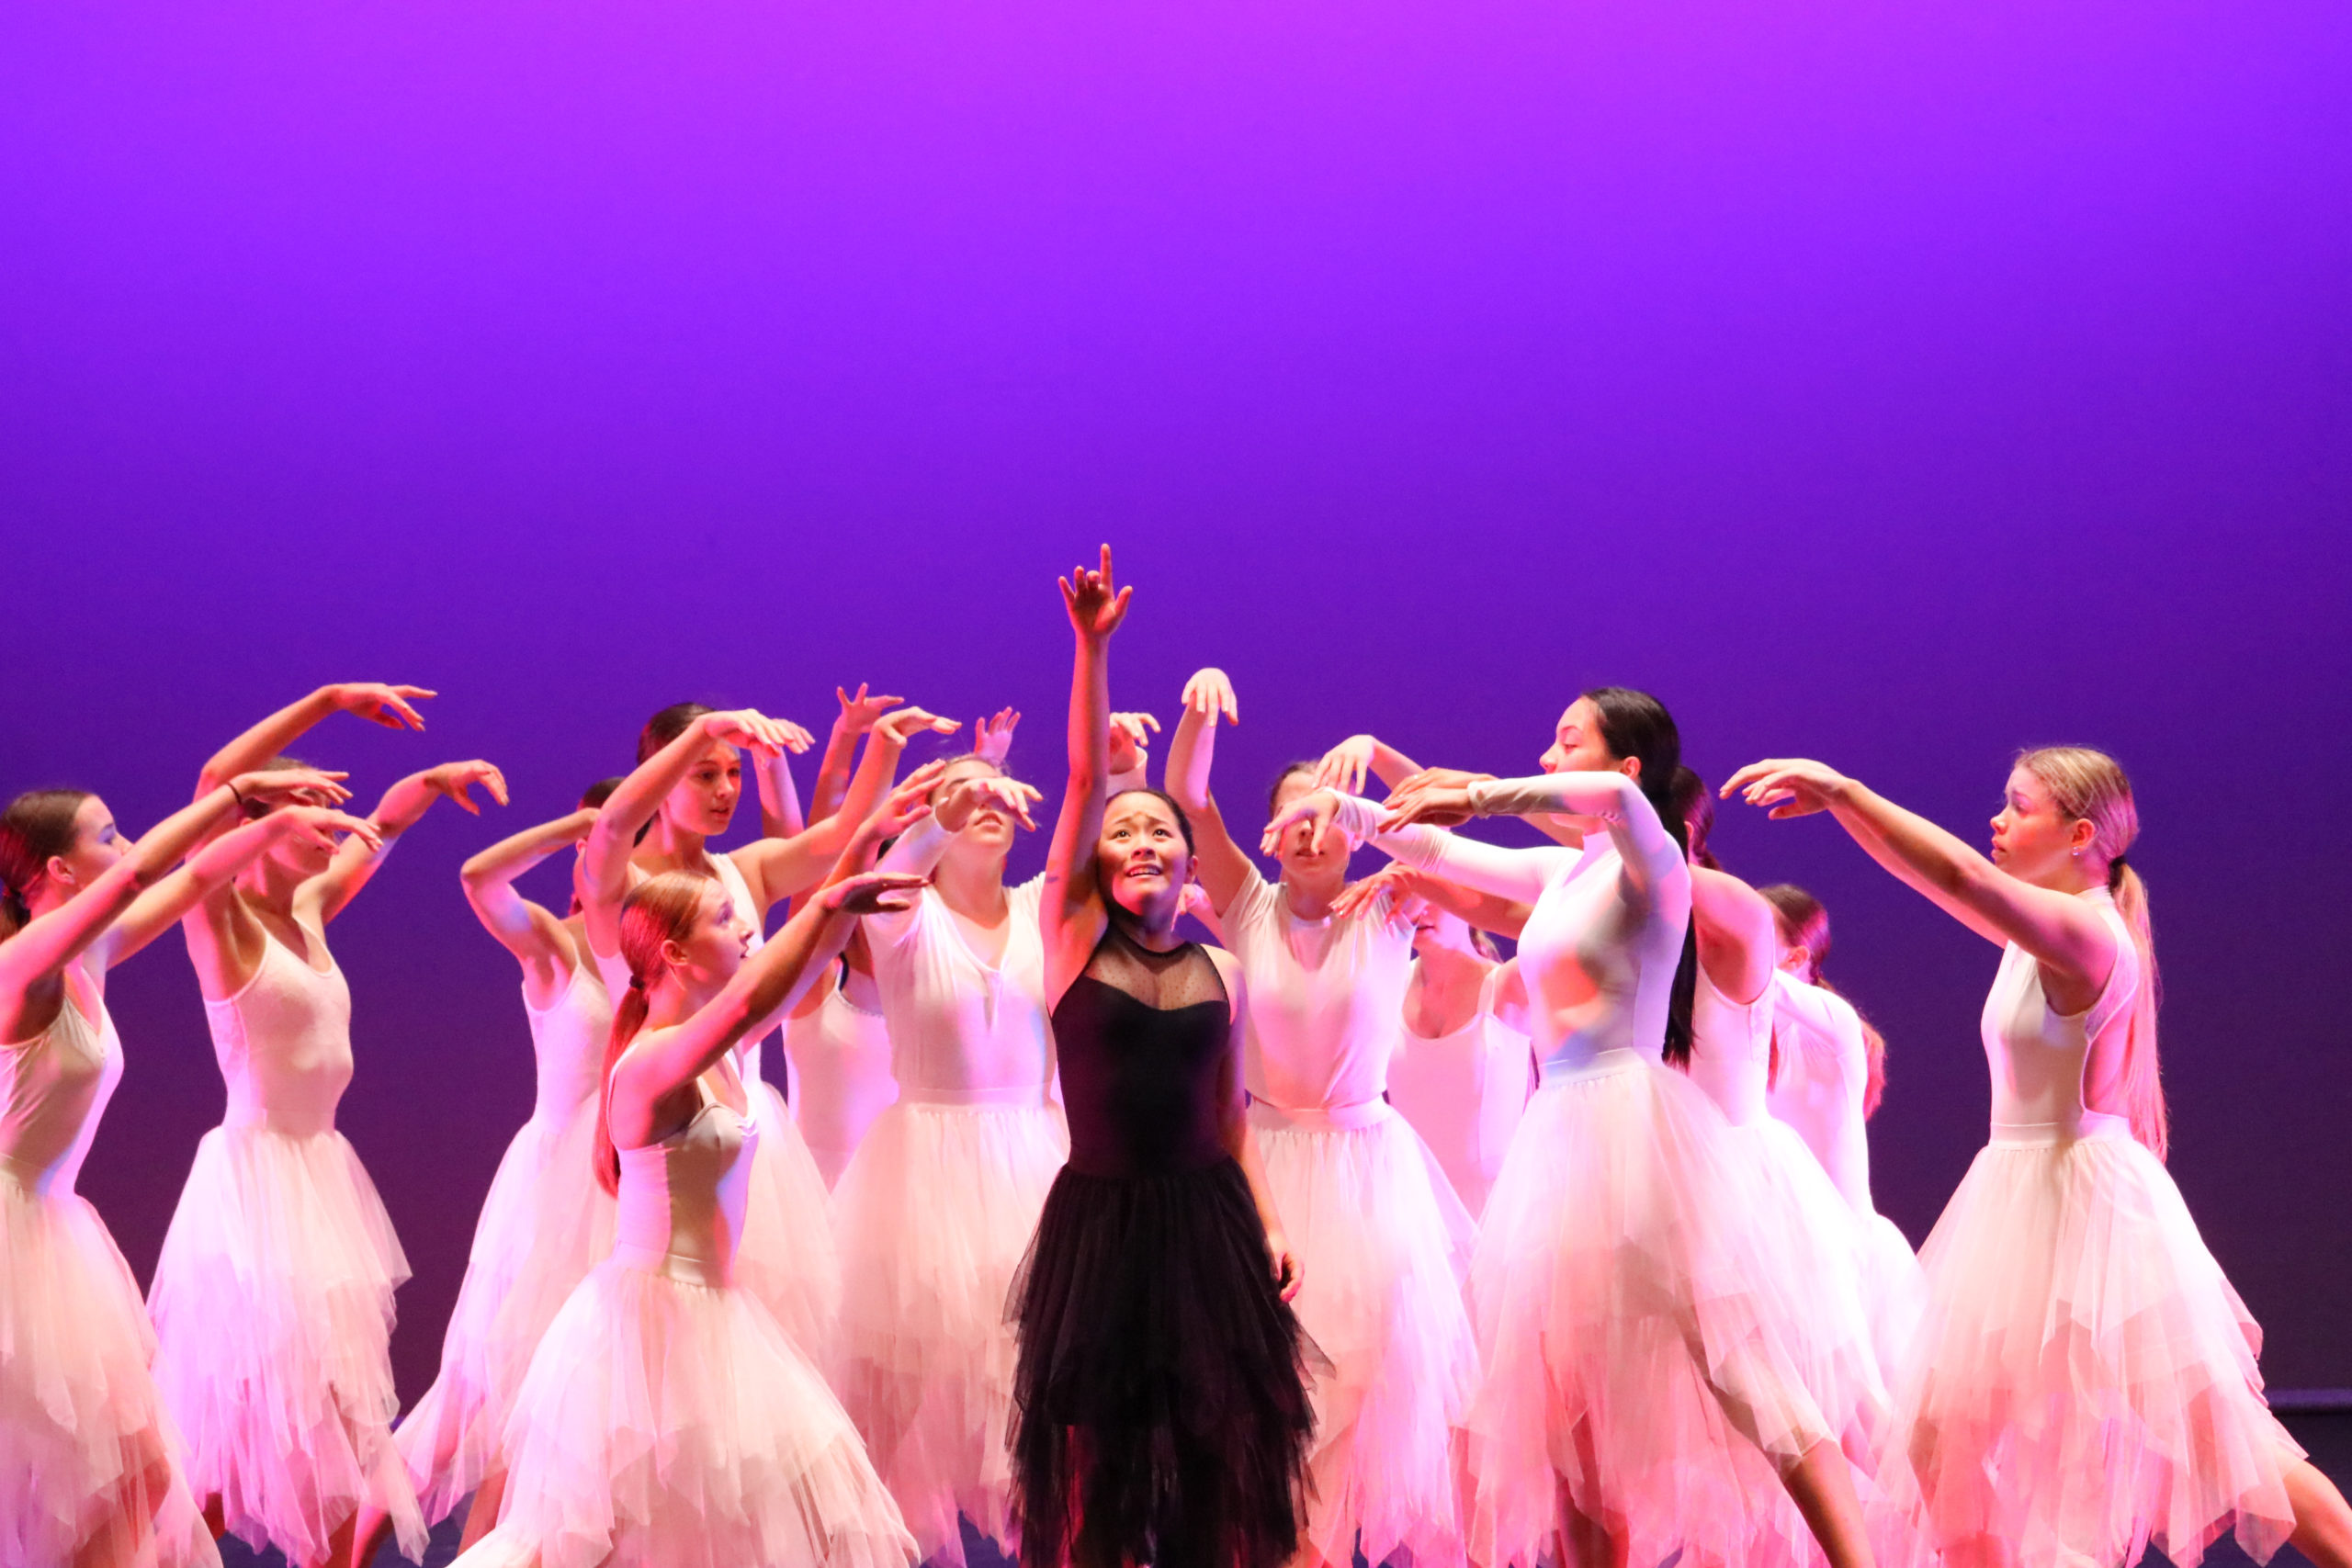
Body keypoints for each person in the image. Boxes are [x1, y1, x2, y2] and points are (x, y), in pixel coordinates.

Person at [1268, 689, 1877, 1568]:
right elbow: (1436, 847)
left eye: (1567, 741)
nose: (1548, 758)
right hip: (1558, 1137)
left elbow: (1616, 801)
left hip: (1632, 1127)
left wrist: (1476, 793)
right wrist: (1347, 812)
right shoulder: (1564, 875)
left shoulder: (1654, 864)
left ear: (1626, 763)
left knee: (1740, 1362)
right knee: (1567, 1405)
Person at [1725, 747, 2352, 1568]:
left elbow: (1959, 876)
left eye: (2019, 806)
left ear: (2080, 834)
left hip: (2087, 1211)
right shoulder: (2039, 931)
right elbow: (1939, 883)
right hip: (2022, 1202)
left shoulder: (2086, 931)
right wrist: (1846, 813)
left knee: (2230, 1443)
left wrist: (1846, 790)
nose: (1998, 819)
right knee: (1938, 1444)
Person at [447, 780, 933, 1568]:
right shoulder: (649, 1062)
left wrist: (862, 846)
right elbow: (747, 1002)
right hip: (650, 1324)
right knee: (573, 1543)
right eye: (724, 918)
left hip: (715, 1314)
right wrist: (824, 900)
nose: (746, 928)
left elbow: (804, 965)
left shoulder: (725, 1054)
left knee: (721, 1528)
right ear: (674, 953)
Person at [144, 682, 501, 1568]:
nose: (331, 828)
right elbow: (213, 782)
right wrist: (329, 701)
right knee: (251, 1442)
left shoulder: (307, 909)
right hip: (257, 1195)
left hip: (320, 1184)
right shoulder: (220, 916)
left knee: (326, 1434)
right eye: (309, 811)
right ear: (255, 826)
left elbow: (385, 823)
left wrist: (432, 783)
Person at [1011, 547, 1317, 1568]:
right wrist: (1092, 649)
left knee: (1212, 1468)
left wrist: (1269, 1220)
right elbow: (1083, 777)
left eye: (1161, 830)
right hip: (1102, 1230)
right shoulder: (1069, 941)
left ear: (1189, 861)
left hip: (1206, 1227)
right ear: (1097, 860)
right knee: (1099, 1472)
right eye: (1124, 831)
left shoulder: (1221, 969)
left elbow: (1229, 1115)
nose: (1142, 839)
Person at [2, 763, 367, 1568]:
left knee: (136, 1472)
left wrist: (291, 768)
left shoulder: (91, 952)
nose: (127, 844)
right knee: (70, 1478)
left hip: (51, 1227)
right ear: (60, 869)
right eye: (107, 835)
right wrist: (243, 802)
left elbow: (197, 872)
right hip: (12, 1233)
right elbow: (145, 870)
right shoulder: (24, 960)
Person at [1166, 677, 1478, 1568]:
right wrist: (1199, 709)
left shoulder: (1389, 902)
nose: (1312, 830)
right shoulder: (1246, 904)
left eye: (1330, 815)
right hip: (1262, 1169)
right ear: (1270, 833)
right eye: (1294, 816)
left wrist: (1373, 768)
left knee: (1346, 1404)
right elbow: (1188, 795)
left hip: (1366, 1178)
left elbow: (1447, 829)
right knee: (1257, 1408)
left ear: (1356, 829)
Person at [580, 700, 938, 1363]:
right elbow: (611, 828)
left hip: (737, 1118)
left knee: (758, 1336)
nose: (725, 790)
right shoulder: (628, 889)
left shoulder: (740, 872)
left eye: (734, 772)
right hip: (667, 1125)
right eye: (704, 773)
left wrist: (882, 751)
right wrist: (704, 731)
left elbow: (831, 865)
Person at [828, 712, 1061, 1563]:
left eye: (998, 794)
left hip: (1033, 1166)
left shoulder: (1041, 909)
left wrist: (1122, 766)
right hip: (922, 1176)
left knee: (1040, 1410)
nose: (986, 805)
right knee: (888, 1410)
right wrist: (946, 805)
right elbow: (887, 871)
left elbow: (1090, 839)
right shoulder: (905, 913)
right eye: (966, 797)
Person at [377, 787, 626, 1555]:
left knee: (559, 1404)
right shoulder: (553, 941)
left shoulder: (653, 956)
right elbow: (480, 879)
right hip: (551, 1193)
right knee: (481, 1395)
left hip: (622, 1190)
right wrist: (579, 824)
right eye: (614, 843)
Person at [1755, 883, 1925, 1393]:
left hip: (1844, 1257)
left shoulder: (1834, 1024)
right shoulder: (1752, 1036)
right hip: (1779, 1250)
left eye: (1752, 930)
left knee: (1864, 1412)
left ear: (1794, 958)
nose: (1736, 936)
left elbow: (1746, 975)